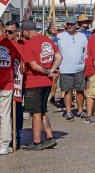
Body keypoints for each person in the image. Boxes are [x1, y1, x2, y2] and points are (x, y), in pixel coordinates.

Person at [21, 20, 61, 150]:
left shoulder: (29, 43)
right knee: (42, 111)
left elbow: (34, 66)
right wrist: (53, 69)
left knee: (36, 113)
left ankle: (37, 142)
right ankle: (49, 137)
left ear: (27, 31)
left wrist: (49, 71)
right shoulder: (48, 40)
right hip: (47, 82)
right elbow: (59, 56)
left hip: (34, 82)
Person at [56, 17, 89, 121]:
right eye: (68, 24)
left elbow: (86, 52)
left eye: (72, 24)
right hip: (65, 69)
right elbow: (56, 52)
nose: (70, 26)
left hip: (79, 68)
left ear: (76, 25)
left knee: (80, 91)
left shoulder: (83, 36)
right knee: (67, 91)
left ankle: (80, 111)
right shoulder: (60, 36)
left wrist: (84, 64)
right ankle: (69, 112)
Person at [0, 22, 19, 154]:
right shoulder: (11, 44)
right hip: (7, 82)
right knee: (5, 115)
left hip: (7, 83)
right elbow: (19, 61)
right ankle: (4, 145)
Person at [5, 21, 24, 148]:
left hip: (18, 82)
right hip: (5, 82)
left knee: (16, 111)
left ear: (17, 31)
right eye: (6, 31)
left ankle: (16, 137)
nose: (8, 34)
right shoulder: (4, 42)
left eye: (10, 32)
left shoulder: (21, 44)